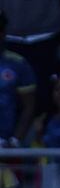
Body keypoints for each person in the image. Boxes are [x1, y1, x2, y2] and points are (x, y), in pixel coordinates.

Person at [0, 11, 36, 149]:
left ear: (2, 34)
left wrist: (15, 140)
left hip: (4, 142)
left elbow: (29, 106)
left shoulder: (18, 64)